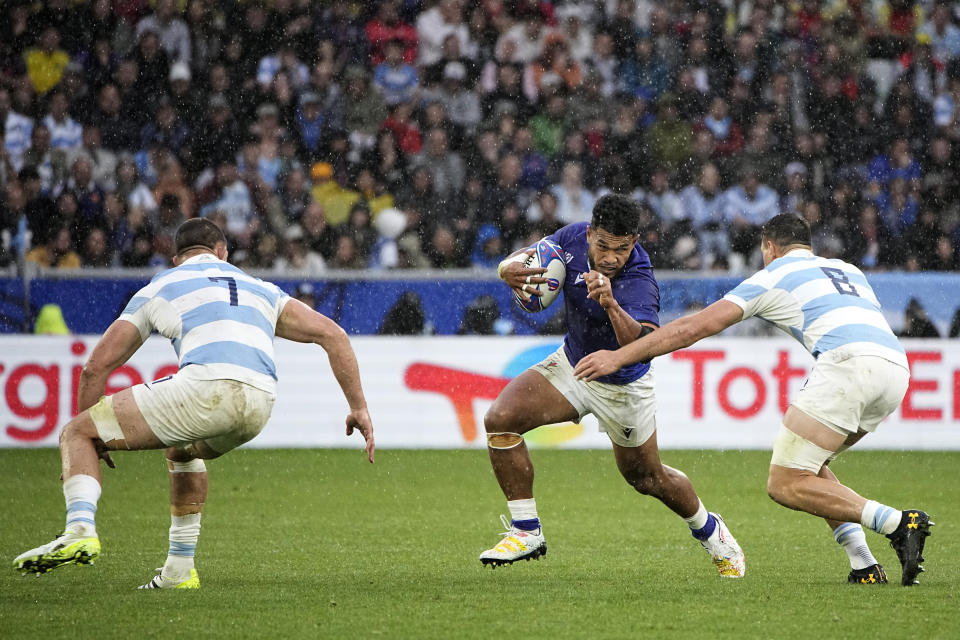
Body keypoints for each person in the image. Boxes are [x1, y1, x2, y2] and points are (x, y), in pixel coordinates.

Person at [13, 219, 374, 589]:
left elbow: (95, 367)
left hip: (207, 387)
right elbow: (334, 335)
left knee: (75, 432)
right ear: (222, 252)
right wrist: (358, 407)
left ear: (176, 259)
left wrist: (92, 436)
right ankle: (179, 572)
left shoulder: (162, 285)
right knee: (181, 450)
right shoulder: (261, 289)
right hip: (261, 400)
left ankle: (79, 529)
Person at [575, 214, 933, 586]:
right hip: (895, 367)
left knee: (785, 483)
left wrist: (617, 356)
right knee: (812, 462)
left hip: (847, 366)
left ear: (769, 247)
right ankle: (864, 565)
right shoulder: (846, 269)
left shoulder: (772, 275)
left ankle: (897, 523)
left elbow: (689, 329)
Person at [480, 194, 745, 578]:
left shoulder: (639, 279)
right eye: (603, 245)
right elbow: (530, 256)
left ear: (634, 242)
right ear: (589, 234)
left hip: (623, 385)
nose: (610, 257)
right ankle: (526, 531)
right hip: (573, 363)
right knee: (500, 419)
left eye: (622, 249)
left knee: (647, 479)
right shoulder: (570, 239)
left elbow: (640, 347)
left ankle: (709, 530)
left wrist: (610, 304)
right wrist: (507, 268)